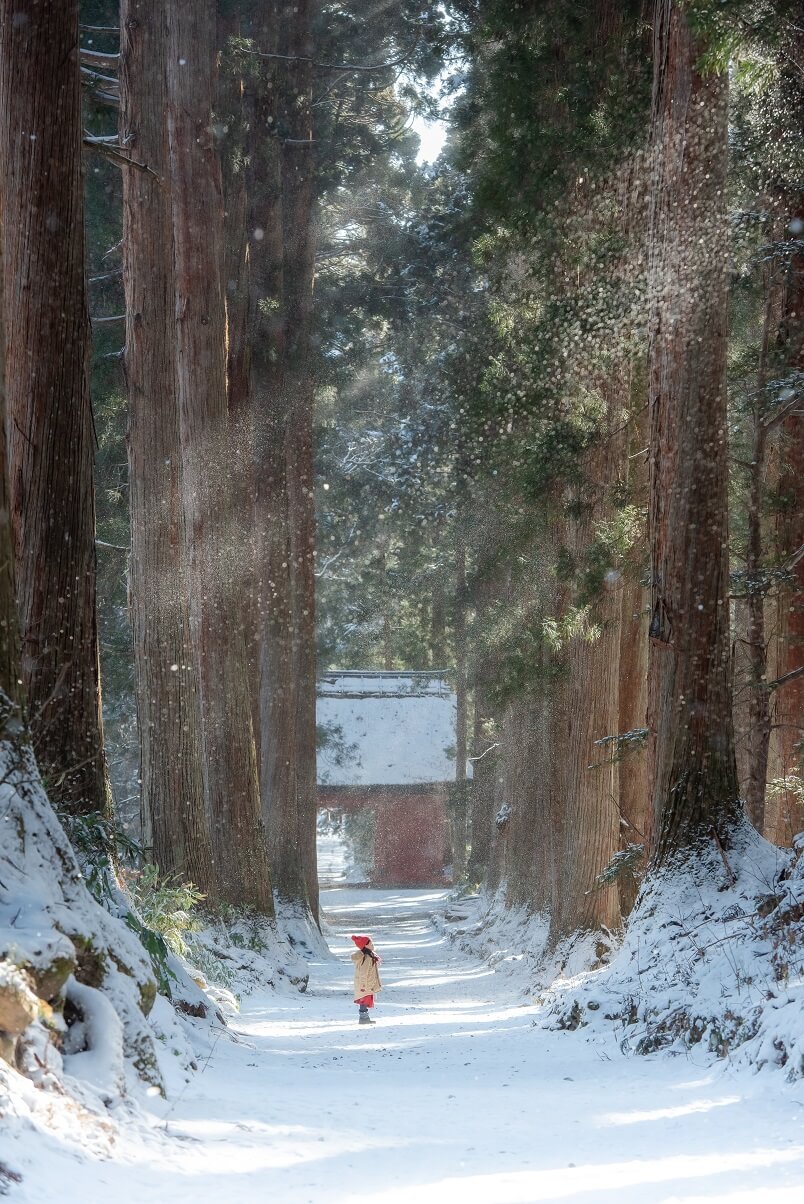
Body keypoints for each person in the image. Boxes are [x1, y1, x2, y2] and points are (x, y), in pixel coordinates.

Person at [350, 934, 382, 1024]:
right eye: (370, 943)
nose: (372, 945)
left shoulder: (370, 956)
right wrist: (363, 985)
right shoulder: (367, 958)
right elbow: (363, 973)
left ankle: (365, 1017)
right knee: (364, 1000)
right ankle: (363, 1018)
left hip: (367, 983)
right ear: (365, 946)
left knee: (365, 1000)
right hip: (365, 984)